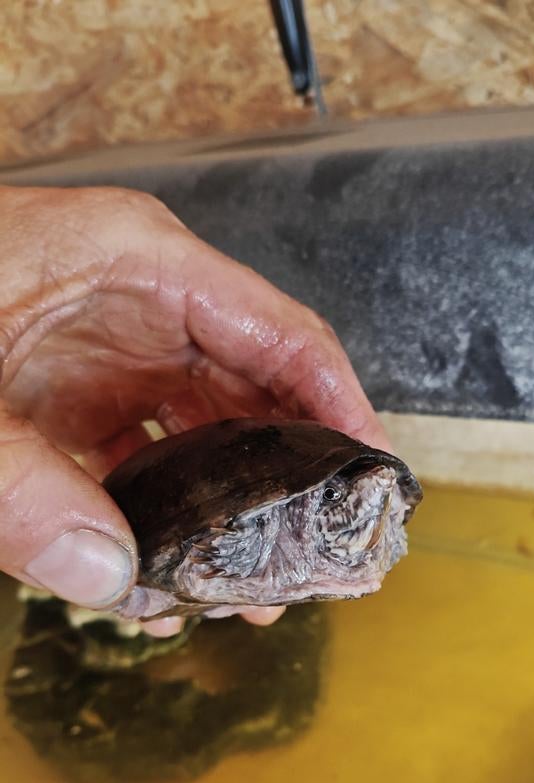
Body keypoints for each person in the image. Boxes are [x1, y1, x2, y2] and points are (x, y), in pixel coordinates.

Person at [0, 183, 390, 635]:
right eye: (336, 496)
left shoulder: (373, 507)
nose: (376, 488)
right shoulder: (253, 536)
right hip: (147, 513)